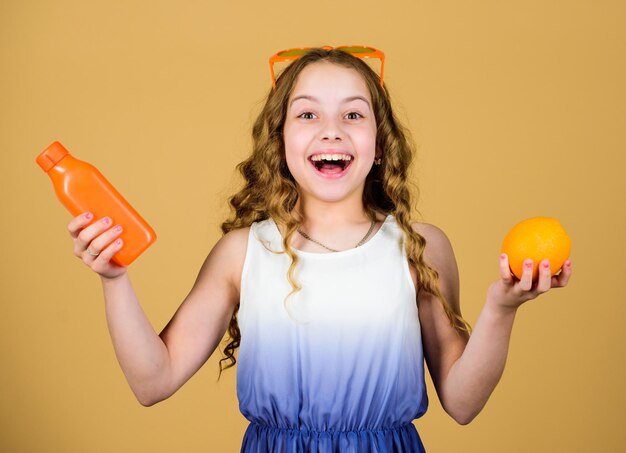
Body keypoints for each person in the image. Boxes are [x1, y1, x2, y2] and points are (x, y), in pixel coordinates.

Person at [66, 47, 572, 452]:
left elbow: (462, 403)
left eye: (354, 114)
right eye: (307, 114)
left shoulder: (421, 248)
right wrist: (114, 279)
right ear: (280, 139)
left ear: (380, 143)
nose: (332, 129)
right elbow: (152, 382)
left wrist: (502, 309)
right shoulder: (242, 252)